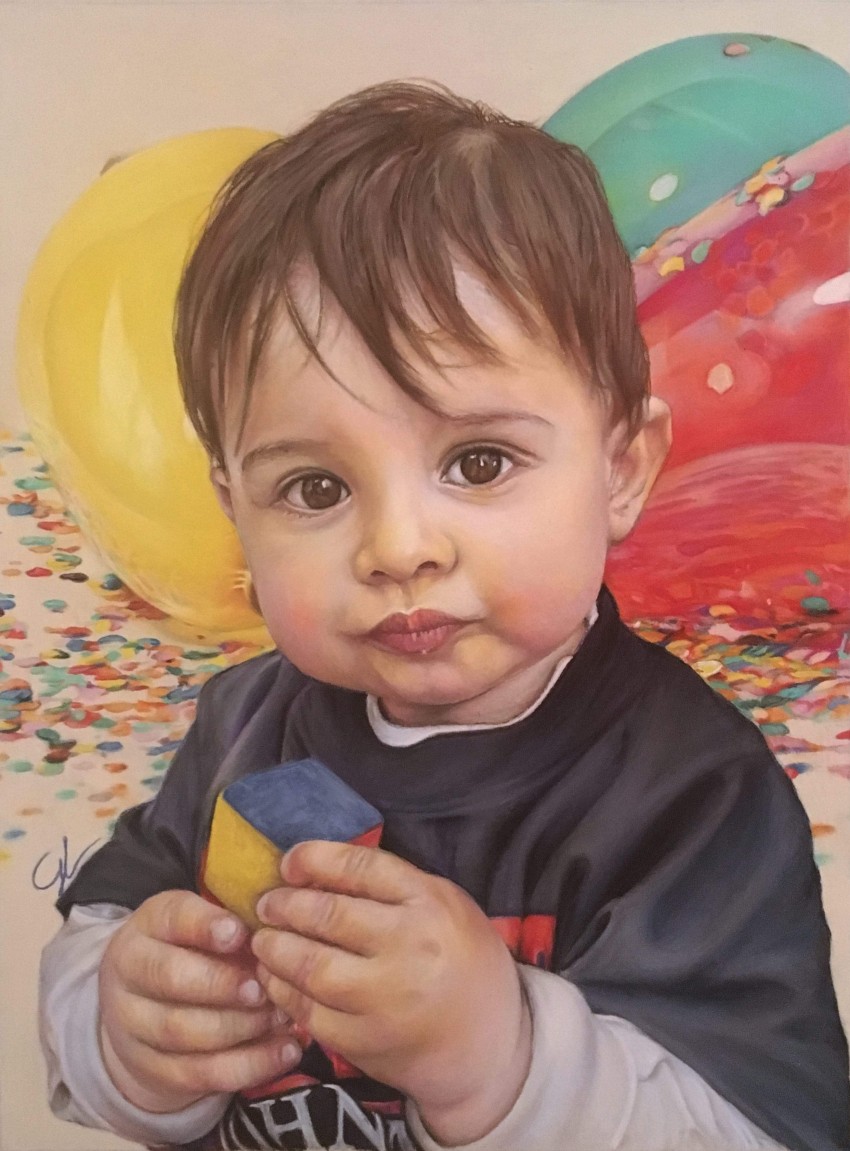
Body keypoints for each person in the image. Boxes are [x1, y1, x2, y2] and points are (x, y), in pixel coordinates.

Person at [39, 82, 849, 1151]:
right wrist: (127, 1037)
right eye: (315, 488)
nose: (397, 546)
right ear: (235, 510)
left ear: (620, 469)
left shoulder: (693, 794)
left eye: (478, 461)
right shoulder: (243, 720)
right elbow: (104, 931)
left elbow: (771, 1128)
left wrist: (502, 1060)